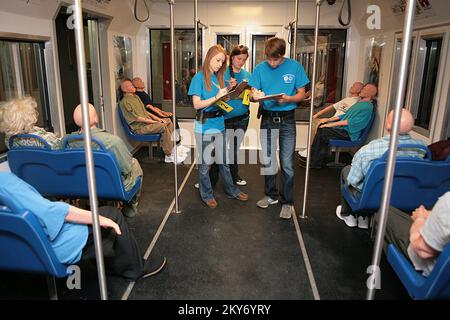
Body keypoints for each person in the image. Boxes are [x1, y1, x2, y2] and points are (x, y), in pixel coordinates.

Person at [0, 172, 166, 281]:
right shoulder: (5, 182)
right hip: (47, 249)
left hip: (11, 249)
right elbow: (48, 211)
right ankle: (136, 268)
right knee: (111, 214)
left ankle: (111, 262)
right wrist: (100, 219)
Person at [249, 37, 309, 219]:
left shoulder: (295, 66)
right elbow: (251, 95)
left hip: (287, 120)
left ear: (283, 55)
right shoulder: (260, 68)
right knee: (267, 160)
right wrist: (255, 95)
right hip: (267, 118)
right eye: (269, 59)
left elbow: (302, 94)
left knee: (287, 163)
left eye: (276, 59)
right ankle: (270, 195)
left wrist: (288, 99)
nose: (272, 63)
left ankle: (287, 201)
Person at [336, 109, 427, 228]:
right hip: (405, 195)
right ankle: (364, 217)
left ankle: (351, 215)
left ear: (388, 125)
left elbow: (354, 181)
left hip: (372, 197)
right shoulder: (422, 149)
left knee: (347, 171)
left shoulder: (369, 150)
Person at [188, 44, 248, 209]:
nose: (220, 64)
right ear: (209, 57)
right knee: (205, 164)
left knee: (224, 162)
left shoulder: (218, 78)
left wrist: (229, 91)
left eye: (222, 62)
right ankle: (207, 194)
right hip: (204, 125)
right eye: (218, 60)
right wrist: (216, 97)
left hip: (219, 123)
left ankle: (232, 191)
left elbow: (221, 102)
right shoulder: (198, 78)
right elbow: (197, 104)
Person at [66, 104, 144, 218]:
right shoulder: (113, 142)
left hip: (81, 184)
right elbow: (126, 168)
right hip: (111, 185)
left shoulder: (67, 141)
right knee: (134, 164)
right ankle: (129, 208)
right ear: (96, 118)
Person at [209, 45, 252, 187]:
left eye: (244, 60)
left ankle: (234, 176)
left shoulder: (248, 75)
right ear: (232, 57)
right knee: (218, 149)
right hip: (224, 119)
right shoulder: (221, 73)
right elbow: (214, 97)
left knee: (234, 150)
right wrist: (228, 89)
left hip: (242, 119)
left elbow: (250, 97)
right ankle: (210, 179)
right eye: (239, 58)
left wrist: (252, 94)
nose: (241, 62)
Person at [307, 83, 378, 169]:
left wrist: (330, 125)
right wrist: (328, 120)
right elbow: (344, 116)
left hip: (349, 133)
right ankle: (317, 158)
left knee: (323, 130)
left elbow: (351, 122)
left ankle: (314, 162)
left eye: (365, 89)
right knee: (322, 127)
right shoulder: (360, 103)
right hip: (344, 129)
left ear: (370, 94)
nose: (362, 90)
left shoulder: (367, 107)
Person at [119, 79, 187, 164]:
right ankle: (168, 155)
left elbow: (145, 111)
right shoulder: (125, 102)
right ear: (125, 89)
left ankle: (173, 148)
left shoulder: (135, 97)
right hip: (140, 127)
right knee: (163, 126)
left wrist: (158, 119)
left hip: (147, 124)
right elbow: (137, 118)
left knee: (168, 121)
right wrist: (155, 122)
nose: (133, 86)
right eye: (131, 85)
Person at [382, 191, 450, 277]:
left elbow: (422, 251)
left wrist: (420, 219)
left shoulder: (447, 202)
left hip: (435, 272)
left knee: (384, 213)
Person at [298, 81, 364, 158]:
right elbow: (333, 106)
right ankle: (311, 148)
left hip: (338, 123)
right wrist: (317, 114)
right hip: (333, 120)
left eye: (354, 86)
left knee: (320, 126)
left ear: (358, 90)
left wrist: (328, 120)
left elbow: (346, 116)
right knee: (314, 122)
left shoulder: (356, 102)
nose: (351, 86)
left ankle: (313, 151)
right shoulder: (348, 99)